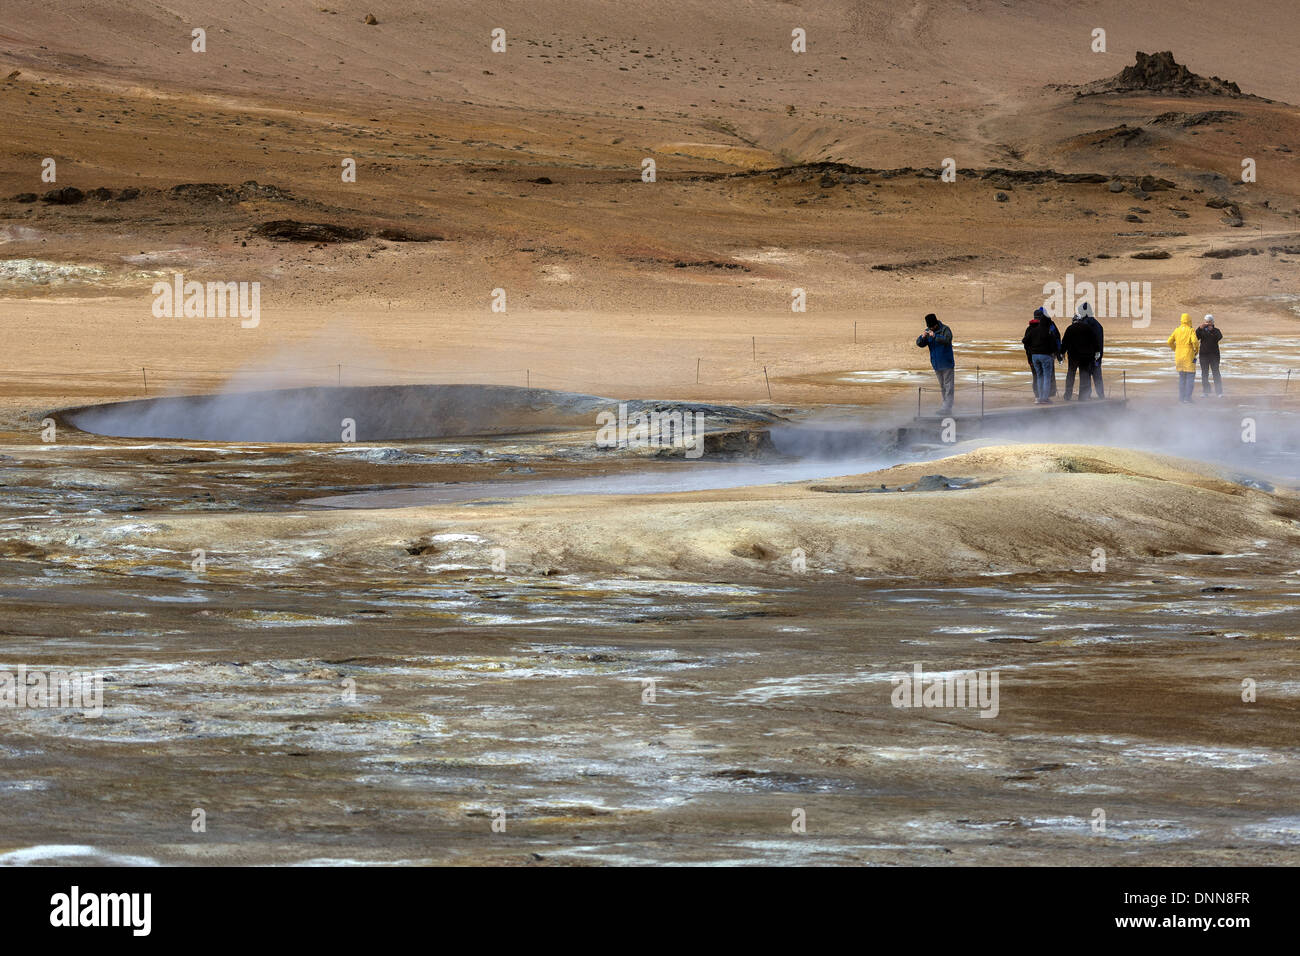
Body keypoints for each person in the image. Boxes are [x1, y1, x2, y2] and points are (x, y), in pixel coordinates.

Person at [915, 313, 955, 414]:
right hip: (937, 365)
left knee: (949, 387)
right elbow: (919, 344)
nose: (931, 328)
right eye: (929, 327)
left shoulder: (945, 329)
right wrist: (922, 337)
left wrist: (935, 336)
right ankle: (945, 406)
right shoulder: (928, 331)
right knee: (943, 386)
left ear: (936, 324)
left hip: (947, 363)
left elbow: (947, 340)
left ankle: (947, 408)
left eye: (932, 326)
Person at [1060, 310, 1100, 400]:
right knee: (1084, 376)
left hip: (1073, 356)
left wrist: (1062, 353)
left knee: (1071, 375)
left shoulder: (1070, 328)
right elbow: (1095, 341)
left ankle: (1068, 395)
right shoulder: (1088, 328)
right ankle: (1082, 397)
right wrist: (1097, 352)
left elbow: (1065, 342)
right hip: (1086, 357)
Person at [1023, 307, 1058, 404]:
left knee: (1037, 376)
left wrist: (1030, 355)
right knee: (1046, 377)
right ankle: (1044, 398)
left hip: (1033, 356)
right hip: (1045, 355)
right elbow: (1053, 342)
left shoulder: (1030, 329)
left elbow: (1025, 342)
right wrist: (1056, 354)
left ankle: (1038, 397)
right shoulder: (1046, 329)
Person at [1167, 312, 1200, 403]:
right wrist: (1196, 351)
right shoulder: (1191, 330)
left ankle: (1181, 398)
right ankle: (1188, 398)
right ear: (1189, 320)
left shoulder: (1177, 330)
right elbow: (1195, 341)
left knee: (1182, 378)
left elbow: (1169, 341)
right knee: (1190, 378)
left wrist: (1175, 349)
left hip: (1179, 357)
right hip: (1188, 357)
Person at [1077, 301, 1105, 398]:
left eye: (1080, 312)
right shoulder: (1098, 325)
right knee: (1097, 377)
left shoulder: (1084, 324)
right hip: (1097, 356)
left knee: (1085, 376)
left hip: (1086, 356)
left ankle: (1085, 396)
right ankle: (1101, 396)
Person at [1197, 313, 1223, 397]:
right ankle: (1206, 392)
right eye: (1206, 321)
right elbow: (1196, 337)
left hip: (1214, 355)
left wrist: (1212, 330)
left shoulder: (1216, 331)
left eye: (1209, 321)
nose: (1208, 323)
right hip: (1204, 355)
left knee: (1216, 373)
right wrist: (1199, 329)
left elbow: (1219, 337)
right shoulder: (1202, 330)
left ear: (1212, 322)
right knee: (1204, 374)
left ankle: (1219, 392)